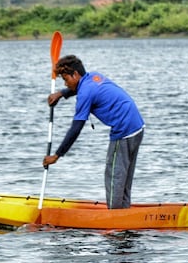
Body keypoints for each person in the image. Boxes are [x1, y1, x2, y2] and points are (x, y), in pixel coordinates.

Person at [43, 55, 145, 209]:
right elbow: (79, 87)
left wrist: (57, 155)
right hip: (137, 126)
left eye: (65, 79)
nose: (65, 83)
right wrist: (62, 93)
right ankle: (124, 212)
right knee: (124, 175)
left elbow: (76, 128)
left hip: (123, 130)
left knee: (114, 175)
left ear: (75, 75)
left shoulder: (85, 94)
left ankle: (114, 216)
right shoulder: (94, 76)